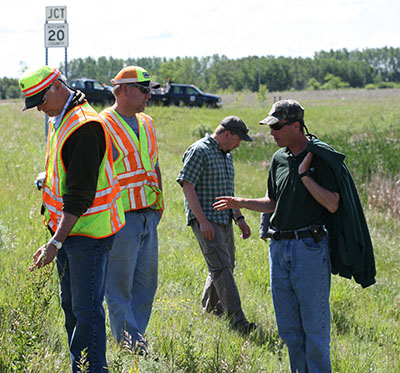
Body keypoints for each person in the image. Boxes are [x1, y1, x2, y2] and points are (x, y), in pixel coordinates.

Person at [214, 99, 376, 372]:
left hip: (310, 248)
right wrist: (239, 202)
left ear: (297, 126)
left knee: (314, 327)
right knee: (289, 329)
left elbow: (333, 203)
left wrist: (305, 176)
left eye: (277, 126)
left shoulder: (320, 156)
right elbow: (273, 203)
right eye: (270, 126)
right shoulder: (278, 158)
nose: (272, 132)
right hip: (279, 250)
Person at [19, 65, 125, 372]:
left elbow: (79, 197)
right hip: (70, 233)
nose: (39, 108)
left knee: (86, 311)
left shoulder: (84, 125)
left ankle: (93, 369)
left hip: (87, 235)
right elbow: (108, 159)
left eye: (40, 100)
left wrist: (55, 242)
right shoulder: (61, 117)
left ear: (55, 87)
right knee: (73, 308)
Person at [99, 66, 163, 349]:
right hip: (121, 218)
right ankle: (130, 344)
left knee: (146, 285)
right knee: (119, 286)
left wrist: (159, 204)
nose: (148, 96)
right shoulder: (103, 124)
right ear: (124, 90)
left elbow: (155, 164)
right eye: (144, 90)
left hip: (149, 215)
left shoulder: (147, 122)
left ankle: (135, 339)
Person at [176, 116, 256, 335]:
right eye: (238, 139)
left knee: (223, 266)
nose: (239, 144)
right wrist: (202, 221)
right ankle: (238, 322)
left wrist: (239, 218)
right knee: (222, 269)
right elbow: (187, 186)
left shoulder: (226, 155)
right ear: (227, 134)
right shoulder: (199, 150)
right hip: (207, 220)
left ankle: (211, 311)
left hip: (225, 220)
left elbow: (228, 192)